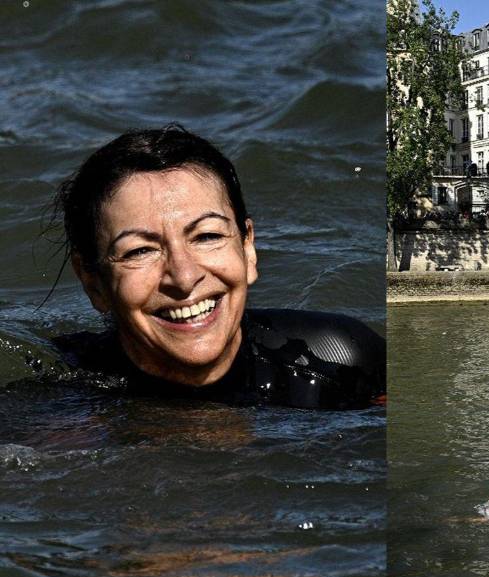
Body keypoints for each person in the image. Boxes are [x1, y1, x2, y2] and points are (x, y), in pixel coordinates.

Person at [50, 125, 385, 409]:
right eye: (140, 251)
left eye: (207, 236)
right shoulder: (64, 403)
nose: (184, 277)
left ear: (247, 248)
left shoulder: (342, 360)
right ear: (93, 283)